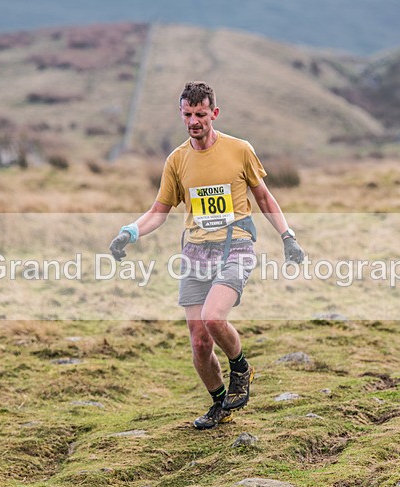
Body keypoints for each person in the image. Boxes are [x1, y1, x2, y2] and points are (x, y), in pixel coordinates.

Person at [109, 81, 305, 429]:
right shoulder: (177, 160)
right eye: (188, 114)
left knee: (214, 318)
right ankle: (220, 404)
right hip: (195, 251)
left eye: (201, 114)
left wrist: (287, 236)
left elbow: (264, 198)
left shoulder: (240, 149)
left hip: (236, 245)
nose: (194, 121)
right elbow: (159, 210)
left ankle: (241, 367)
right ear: (181, 114)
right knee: (199, 340)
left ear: (214, 113)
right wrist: (130, 232)